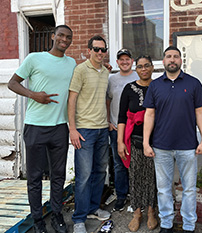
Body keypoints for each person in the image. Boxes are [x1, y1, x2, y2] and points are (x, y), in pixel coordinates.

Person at [7, 25, 75, 233]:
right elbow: (12, 83)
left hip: (59, 127)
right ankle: (37, 220)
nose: (64, 39)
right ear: (53, 36)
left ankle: (56, 215)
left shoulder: (71, 63)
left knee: (58, 176)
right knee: (35, 177)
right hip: (36, 126)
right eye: (61, 35)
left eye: (69, 37)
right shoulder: (34, 58)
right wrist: (33, 95)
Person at [143, 46, 202, 233]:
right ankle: (166, 224)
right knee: (163, 189)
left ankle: (189, 225)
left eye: (176, 57)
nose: (172, 59)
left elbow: (200, 112)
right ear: (163, 61)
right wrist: (146, 142)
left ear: (181, 60)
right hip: (161, 146)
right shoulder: (155, 85)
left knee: (189, 189)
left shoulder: (193, 83)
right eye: (168, 57)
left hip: (187, 145)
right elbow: (149, 115)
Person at [68, 35, 111, 233]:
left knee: (100, 172)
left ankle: (93, 208)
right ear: (89, 50)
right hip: (84, 130)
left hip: (102, 129)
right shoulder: (80, 70)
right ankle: (79, 219)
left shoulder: (104, 72)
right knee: (84, 176)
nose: (100, 53)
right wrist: (73, 129)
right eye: (96, 49)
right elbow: (72, 99)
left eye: (103, 49)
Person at [117, 55, 158, 232]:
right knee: (135, 177)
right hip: (134, 140)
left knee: (152, 178)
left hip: (157, 141)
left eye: (146, 66)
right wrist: (120, 141)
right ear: (136, 68)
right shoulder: (129, 88)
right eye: (139, 66)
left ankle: (151, 212)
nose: (143, 69)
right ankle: (137, 213)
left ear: (152, 68)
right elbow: (121, 117)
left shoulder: (159, 87)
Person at [106, 48, 139, 211]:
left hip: (136, 129)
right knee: (119, 164)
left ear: (132, 61)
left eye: (128, 59)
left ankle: (136, 194)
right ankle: (121, 195)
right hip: (116, 128)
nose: (125, 62)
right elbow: (107, 100)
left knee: (136, 163)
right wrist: (107, 120)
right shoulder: (111, 80)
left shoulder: (139, 76)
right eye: (121, 59)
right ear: (117, 62)